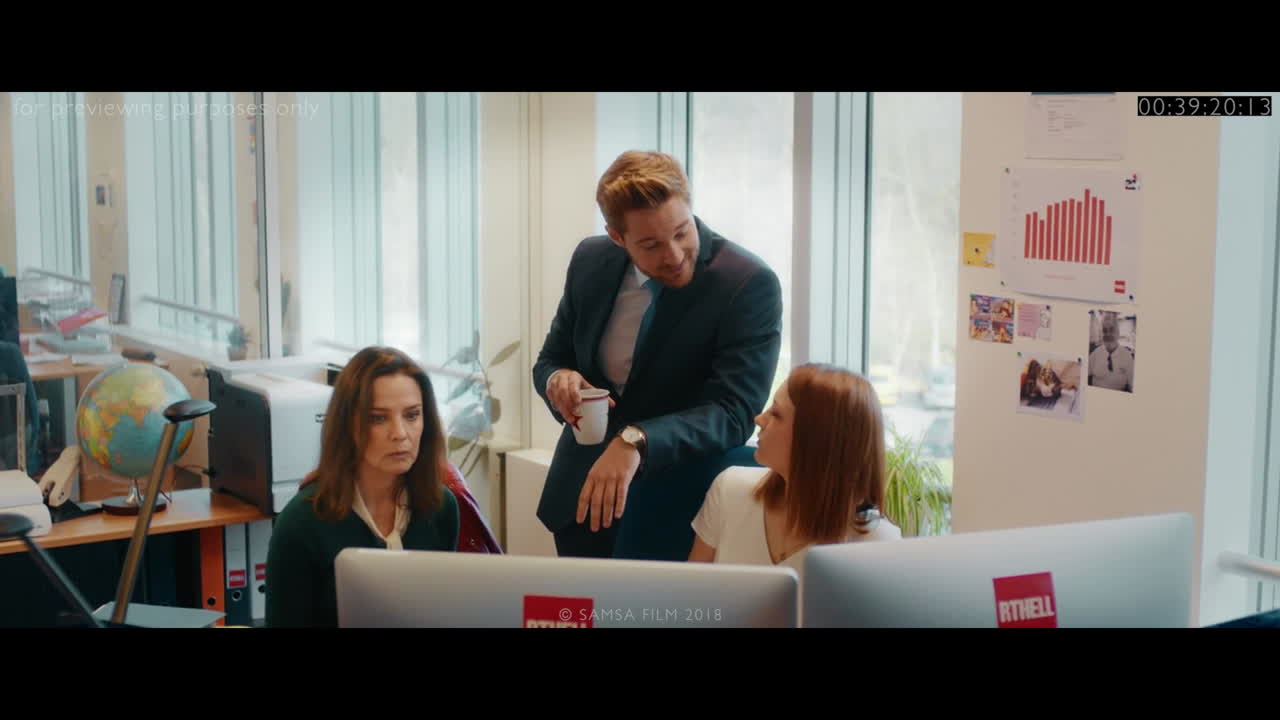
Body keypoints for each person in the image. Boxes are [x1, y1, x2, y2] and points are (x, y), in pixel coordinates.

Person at [532, 150, 782, 560]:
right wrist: (557, 379)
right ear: (618, 237)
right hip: (582, 500)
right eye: (650, 244)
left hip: (680, 506)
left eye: (682, 232)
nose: (675, 255)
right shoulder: (590, 260)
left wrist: (637, 440)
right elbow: (551, 358)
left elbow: (734, 412)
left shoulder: (747, 283)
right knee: (579, 601)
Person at [266, 346, 458, 628]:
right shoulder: (301, 523)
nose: (400, 434)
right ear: (348, 425)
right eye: (378, 418)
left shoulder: (441, 508)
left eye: (412, 415)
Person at [689, 363, 901, 587]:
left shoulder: (877, 545)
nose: (759, 419)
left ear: (815, 438)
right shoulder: (729, 489)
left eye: (776, 413)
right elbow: (690, 594)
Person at [1088, 314, 1134, 392]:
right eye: (1105, 331)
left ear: (1118, 333)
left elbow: (1132, 386)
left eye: (1111, 330)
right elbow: (1084, 373)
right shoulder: (1095, 353)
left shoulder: (1127, 356)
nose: (1108, 334)